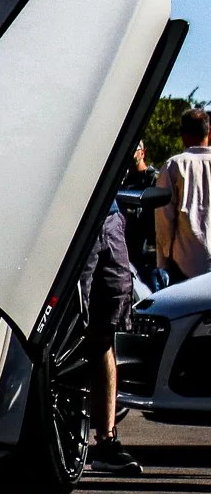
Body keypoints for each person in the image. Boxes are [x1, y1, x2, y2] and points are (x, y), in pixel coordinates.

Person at [84, 195, 142, 475]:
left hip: (109, 217)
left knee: (106, 330)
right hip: (73, 218)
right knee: (68, 322)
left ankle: (105, 441)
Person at [157, 109, 211, 284]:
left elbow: (164, 218)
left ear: (183, 135)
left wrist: (164, 260)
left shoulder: (174, 166)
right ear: (209, 132)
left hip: (185, 264)